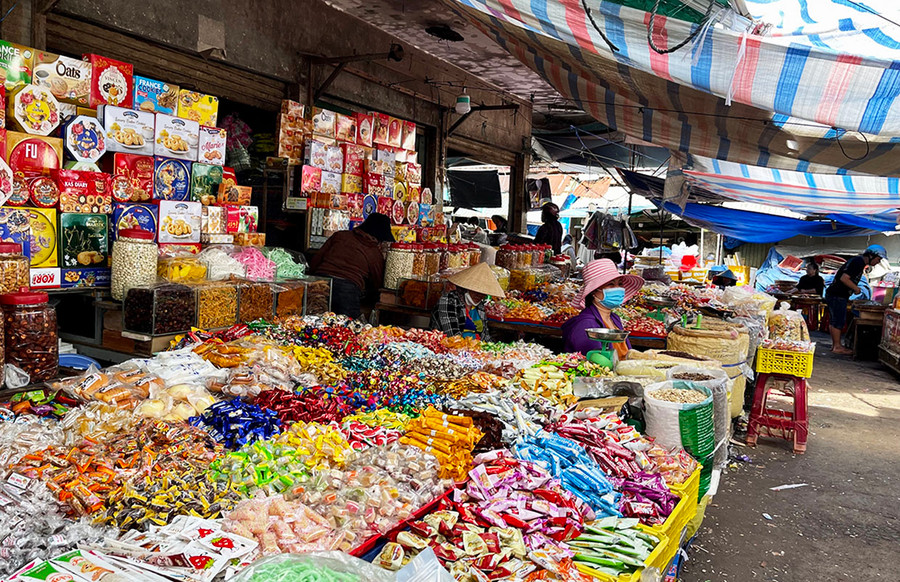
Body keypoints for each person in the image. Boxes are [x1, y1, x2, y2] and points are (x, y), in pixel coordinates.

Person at [309, 212, 394, 319]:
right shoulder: (374, 252)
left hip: (321, 284)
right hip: (347, 291)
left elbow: (316, 260)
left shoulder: (340, 235)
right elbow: (377, 283)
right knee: (347, 327)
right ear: (379, 237)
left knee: (314, 323)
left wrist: (311, 280)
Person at [562, 259, 644, 357]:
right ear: (593, 291)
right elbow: (597, 363)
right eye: (611, 284)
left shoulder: (614, 318)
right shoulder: (585, 324)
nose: (617, 288)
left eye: (620, 284)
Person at [825, 244, 887, 355]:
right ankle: (837, 347)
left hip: (836, 294)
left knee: (834, 320)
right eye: (878, 259)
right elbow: (844, 278)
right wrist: (856, 289)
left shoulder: (857, 261)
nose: (878, 262)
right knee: (838, 321)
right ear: (872, 256)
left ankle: (836, 345)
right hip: (837, 295)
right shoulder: (858, 262)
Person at [431, 262, 505, 340]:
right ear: (466, 288)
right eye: (475, 291)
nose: (479, 295)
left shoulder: (479, 305)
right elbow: (452, 337)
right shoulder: (448, 301)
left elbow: (485, 335)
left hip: (476, 348)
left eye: (483, 293)